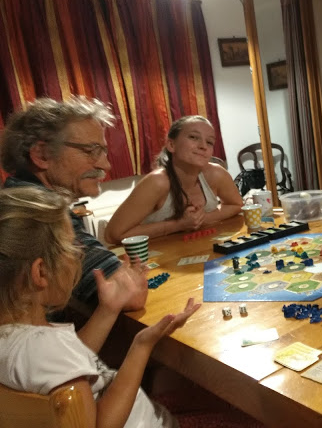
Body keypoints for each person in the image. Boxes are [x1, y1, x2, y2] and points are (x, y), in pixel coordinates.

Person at [0, 186, 200, 427]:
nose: (79, 254)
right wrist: (142, 345)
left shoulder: (21, 340)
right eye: (72, 247)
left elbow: (66, 360)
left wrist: (108, 310)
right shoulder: (45, 345)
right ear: (41, 272)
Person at [0, 96, 147, 309]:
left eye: (103, 151)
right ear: (42, 155)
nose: (105, 165)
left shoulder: (18, 195)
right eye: (91, 151)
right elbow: (128, 294)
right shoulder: (35, 212)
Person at [104, 116, 243, 243]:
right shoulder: (157, 182)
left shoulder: (216, 174)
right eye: (193, 137)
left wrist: (202, 219)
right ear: (171, 145)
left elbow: (236, 205)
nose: (203, 146)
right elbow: (113, 235)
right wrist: (179, 225)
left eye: (210, 142)